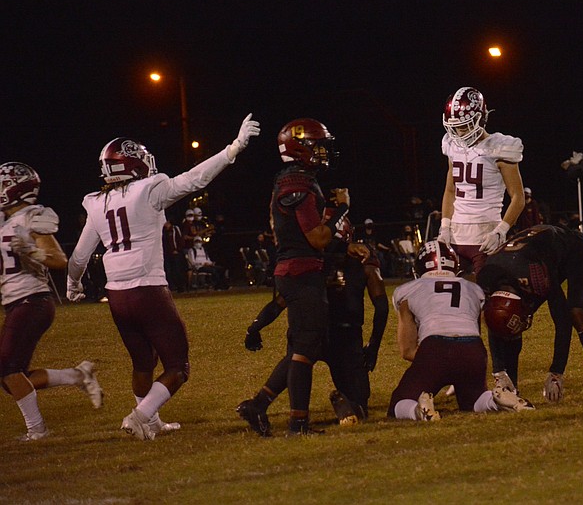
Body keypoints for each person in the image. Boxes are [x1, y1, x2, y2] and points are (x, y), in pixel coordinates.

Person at [66, 114, 260, 440]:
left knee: (143, 363)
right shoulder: (148, 190)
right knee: (178, 367)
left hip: (117, 295)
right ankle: (139, 417)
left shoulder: (97, 203)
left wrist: (73, 284)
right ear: (133, 165)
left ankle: (152, 422)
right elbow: (195, 179)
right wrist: (234, 148)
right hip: (148, 290)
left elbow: (79, 257)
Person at [236, 118, 367, 438]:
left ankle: (259, 405)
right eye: (317, 146)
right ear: (299, 148)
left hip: (297, 271)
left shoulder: (295, 180)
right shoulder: (297, 185)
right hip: (300, 272)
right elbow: (317, 238)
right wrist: (341, 210)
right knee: (304, 350)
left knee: (304, 347)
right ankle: (297, 423)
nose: (323, 152)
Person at [240, 202, 387, 427]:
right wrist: (373, 346)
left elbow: (280, 302)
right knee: (358, 407)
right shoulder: (362, 260)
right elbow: (382, 307)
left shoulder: (310, 261)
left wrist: (255, 327)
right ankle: (327, 409)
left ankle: (260, 403)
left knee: (298, 356)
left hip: (320, 332)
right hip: (346, 337)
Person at [0, 162, 103, 441]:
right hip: (17, 302)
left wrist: (32, 251)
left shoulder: (32, 216)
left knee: (8, 370)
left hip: (32, 300)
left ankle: (38, 430)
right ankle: (78, 376)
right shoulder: (6, 222)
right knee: (12, 379)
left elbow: (59, 259)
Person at [388, 240, 533, 420]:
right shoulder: (473, 289)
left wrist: (435, 363)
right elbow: (474, 332)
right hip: (472, 350)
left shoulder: (407, 291)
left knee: (399, 401)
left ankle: (418, 411)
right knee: (474, 400)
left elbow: (407, 350)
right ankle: (496, 401)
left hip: (435, 349)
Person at [477, 225, 583, 402]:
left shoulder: (535, 277)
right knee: (507, 325)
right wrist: (499, 371)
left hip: (577, 253)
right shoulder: (488, 276)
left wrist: (557, 371)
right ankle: (512, 387)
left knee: (577, 312)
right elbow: (495, 323)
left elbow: (562, 320)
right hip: (539, 257)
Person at [437, 87, 525, 276]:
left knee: (485, 291)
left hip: (486, 236)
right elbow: (450, 190)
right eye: (455, 127)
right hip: (456, 236)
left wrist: (501, 231)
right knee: (450, 292)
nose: (459, 133)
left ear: (480, 118)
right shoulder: (453, 146)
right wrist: (445, 227)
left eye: (464, 126)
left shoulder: (500, 148)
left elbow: (518, 197)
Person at [162, 218, 187, 292]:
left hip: (176, 253)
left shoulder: (175, 229)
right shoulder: (163, 231)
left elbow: (180, 239)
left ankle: (180, 286)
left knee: (177, 270)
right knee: (168, 271)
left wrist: (177, 250)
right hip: (167, 254)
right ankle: (172, 286)